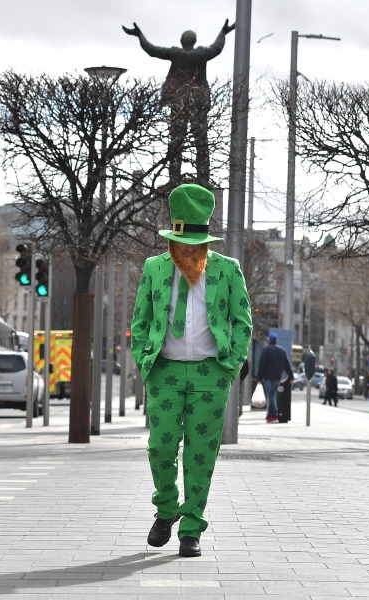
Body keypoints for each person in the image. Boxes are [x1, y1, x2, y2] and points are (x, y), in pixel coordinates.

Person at [130, 183, 252, 558]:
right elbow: (141, 320)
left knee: (201, 452)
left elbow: (241, 321)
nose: (188, 249)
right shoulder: (154, 268)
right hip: (164, 370)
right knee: (160, 447)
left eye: (196, 242)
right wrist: (143, 361)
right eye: (182, 242)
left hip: (209, 374)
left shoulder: (227, 270)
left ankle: (191, 526)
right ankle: (166, 509)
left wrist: (229, 366)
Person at [123, 19, 235, 186]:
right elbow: (217, 48)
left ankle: (174, 179)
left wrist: (140, 35)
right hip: (197, 101)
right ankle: (203, 179)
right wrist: (223, 32)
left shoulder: (176, 54)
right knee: (201, 142)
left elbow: (151, 50)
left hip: (179, 102)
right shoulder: (201, 54)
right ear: (194, 41)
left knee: (176, 142)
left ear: (182, 42)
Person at [256, 332, 293, 423]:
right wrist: (291, 376)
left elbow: (262, 365)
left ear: (269, 340)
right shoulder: (281, 351)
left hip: (267, 377)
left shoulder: (266, 350)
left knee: (271, 396)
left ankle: (274, 414)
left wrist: (259, 378)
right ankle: (270, 415)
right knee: (273, 395)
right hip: (277, 377)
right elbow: (287, 365)